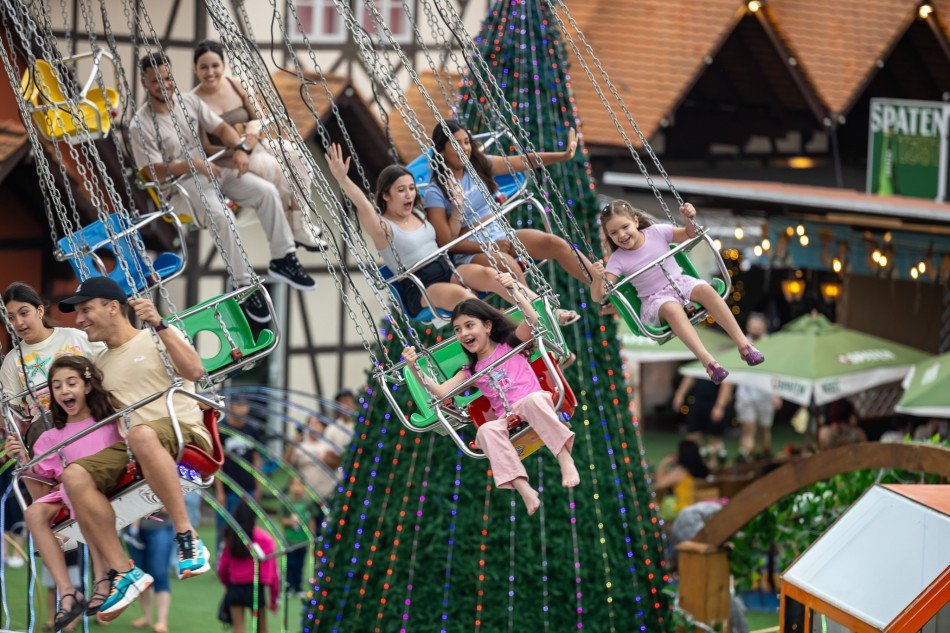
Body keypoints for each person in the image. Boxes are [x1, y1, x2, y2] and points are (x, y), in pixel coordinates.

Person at [56, 277, 212, 620]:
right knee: (75, 475)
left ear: (114, 307)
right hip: (137, 446)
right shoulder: (99, 366)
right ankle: (122, 571)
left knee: (141, 434)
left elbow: (195, 370)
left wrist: (159, 322)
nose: (79, 319)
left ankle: (187, 536)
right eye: (77, 312)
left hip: (183, 432)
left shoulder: (155, 337)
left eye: (86, 310)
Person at [129, 51, 316, 324]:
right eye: (156, 81)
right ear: (145, 84)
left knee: (266, 192)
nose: (165, 85)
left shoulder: (189, 102)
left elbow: (221, 128)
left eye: (168, 78)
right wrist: (192, 164)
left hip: (212, 170)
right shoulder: (140, 125)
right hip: (180, 186)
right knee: (223, 216)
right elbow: (152, 172)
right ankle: (243, 285)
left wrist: (240, 148)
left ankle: (283, 257)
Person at [326, 144, 577, 323]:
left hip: (447, 268)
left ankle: (545, 311)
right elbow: (364, 207)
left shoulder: (420, 215)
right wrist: (342, 179)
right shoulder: (384, 229)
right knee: (465, 299)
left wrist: (456, 207)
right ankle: (517, 330)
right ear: (386, 195)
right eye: (401, 190)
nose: (409, 195)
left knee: (492, 275)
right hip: (423, 286)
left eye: (412, 188)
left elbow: (450, 234)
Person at [402, 273, 579, 515]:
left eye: (469, 325)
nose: (463, 334)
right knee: (485, 430)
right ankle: (523, 487)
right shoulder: (471, 370)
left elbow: (534, 320)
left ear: (487, 326)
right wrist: (415, 368)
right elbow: (442, 392)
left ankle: (564, 458)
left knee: (533, 401)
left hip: (534, 402)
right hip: (507, 418)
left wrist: (515, 291)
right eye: (457, 329)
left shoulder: (511, 344)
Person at [3, 355, 126, 630]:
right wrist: (25, 461)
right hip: (66, 491)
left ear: (87, 386)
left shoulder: (106, 422)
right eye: (57, 386)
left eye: (71, 383)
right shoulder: (51, 437)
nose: (64, 391)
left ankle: (103, 576)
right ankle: (68, 591)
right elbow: (42, 483)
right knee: (34, 513)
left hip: (102, 488)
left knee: (76, 490)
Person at [592, 201, 765, 384]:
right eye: (614, 233)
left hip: (680, 283)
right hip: (655, 300)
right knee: (673, 309)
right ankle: (709, 362)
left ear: (635, 221)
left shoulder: (656, 232)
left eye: (625, 227)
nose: (622, 235)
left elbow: (689, 234)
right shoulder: (617, 260)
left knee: (706, 290)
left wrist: (689, 219)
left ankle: (744, 345)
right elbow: (598, 296)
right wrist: (597, 278)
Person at [424, 120, 593, 301]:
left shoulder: (478, 166)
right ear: (441, 150)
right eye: (457, 144)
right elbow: (447, 243)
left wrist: (563, 155)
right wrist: (488, 245)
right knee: (509, 266)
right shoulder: (435, 191)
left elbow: (522, 160)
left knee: (554, 243)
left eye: (466, 142)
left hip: (501, 235)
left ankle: (603, 287)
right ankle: (543, 317)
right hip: (472, 253)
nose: (465, 148)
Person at [190, 40, 327, 252]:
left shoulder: (236, 85)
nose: (210, 72)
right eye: (204, 67)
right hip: (230, 159)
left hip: (255, 144)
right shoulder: (195, 101)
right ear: (196, 69)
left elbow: (258, 119)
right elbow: (205, 146)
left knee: (299, 158)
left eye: (215, 65)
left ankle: (300, 222)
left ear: (223, 65)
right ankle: (295, 228)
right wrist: (237, 151)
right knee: (276, 170)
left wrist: (249, 140)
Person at [716, 314, 782, 460]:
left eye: (758, 327)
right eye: (753, 326)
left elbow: (777, 371)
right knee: (748, 427)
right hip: (745, 394)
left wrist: (777, 394)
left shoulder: (771, 344)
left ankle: (764, 455)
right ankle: (745, 456)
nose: (755, 330)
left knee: (764, 428)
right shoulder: (741, 342)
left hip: (766, 394)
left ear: (764, 327)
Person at [217, 501, 279, 633]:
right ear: (255, 516)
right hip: (256, 588)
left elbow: (222, 567)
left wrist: (227, 584)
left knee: (238, 628)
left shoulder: (231, 537)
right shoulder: (264, 539)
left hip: (235, 587)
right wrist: (273, 598)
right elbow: (272, 572)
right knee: (261, 629)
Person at [216, 396, 263, 540]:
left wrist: (258, 487)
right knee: (225, 529)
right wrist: (220, 492)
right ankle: (222, 560)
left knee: (247, 529)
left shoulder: (251, 430)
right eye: (238, 406)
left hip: (248, 487)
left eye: (244, 406)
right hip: (229, 489)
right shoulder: (221, 429)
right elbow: (218, 462)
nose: (242, 410)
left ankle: (245, 560)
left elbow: (256, 459)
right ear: (231, 407)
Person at [125, 511, 175, 633]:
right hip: (132, 529)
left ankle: (162, 621)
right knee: (141, 575)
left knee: (159, 574)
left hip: (160, 528)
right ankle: (146, 617)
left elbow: (166, 508)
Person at [284, 415, 342, 502]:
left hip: (326, 496)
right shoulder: (300, 447)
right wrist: (292, 444)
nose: (313, 427)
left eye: (316, 424)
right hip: (306, 498)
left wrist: (326, 459)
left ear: (323, 427)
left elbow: (338, 464)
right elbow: (285, 464)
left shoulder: (329, 446)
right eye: (310, 424)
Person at [653, 440, 711, 520]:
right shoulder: (704, 470)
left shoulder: (680, 472)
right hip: (701, 509)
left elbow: (658, 486)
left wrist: (663, 464)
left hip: (681, 511)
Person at [281, 478, 316, 597]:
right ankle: (288, 587)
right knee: (290, 564)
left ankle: (298, 587)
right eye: (294, 485)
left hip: (303, 540)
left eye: (300, 485)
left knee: (300, 564)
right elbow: (281, 519)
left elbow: (312, 520)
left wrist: (312, 535)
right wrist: (291, 522)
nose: (297, 489)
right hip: (290, 540)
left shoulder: (307, 502)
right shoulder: (286, 501)